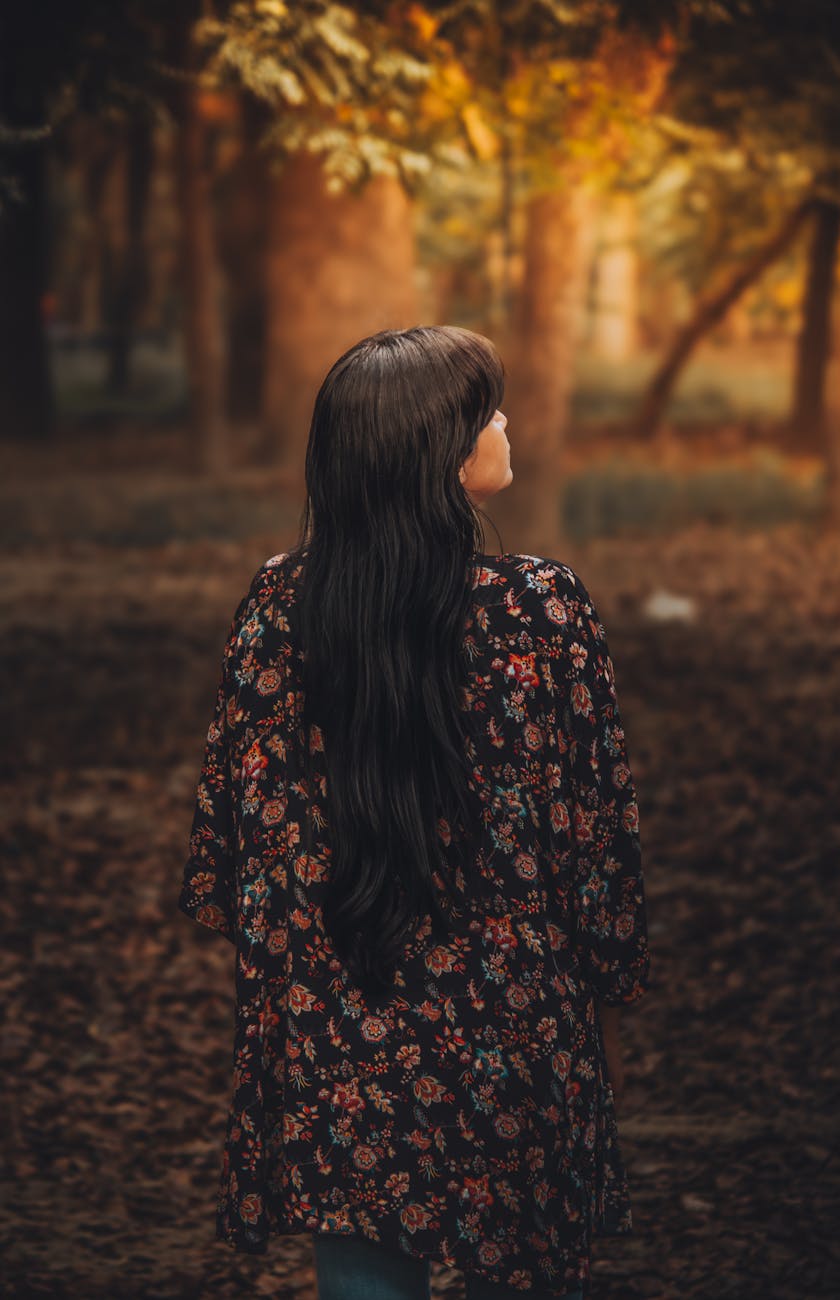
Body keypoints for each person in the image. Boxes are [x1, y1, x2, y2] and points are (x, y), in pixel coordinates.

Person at [178, 325, 651, 1299]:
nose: (506, 423)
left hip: (337, 1014)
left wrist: (288, 991)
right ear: (440, 451)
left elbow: (231, 843)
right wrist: (610, 984)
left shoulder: (278, 605)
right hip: (510, 1029)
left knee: (361, 1280)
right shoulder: (542, 610)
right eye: (488, 410)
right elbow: (596, 836)